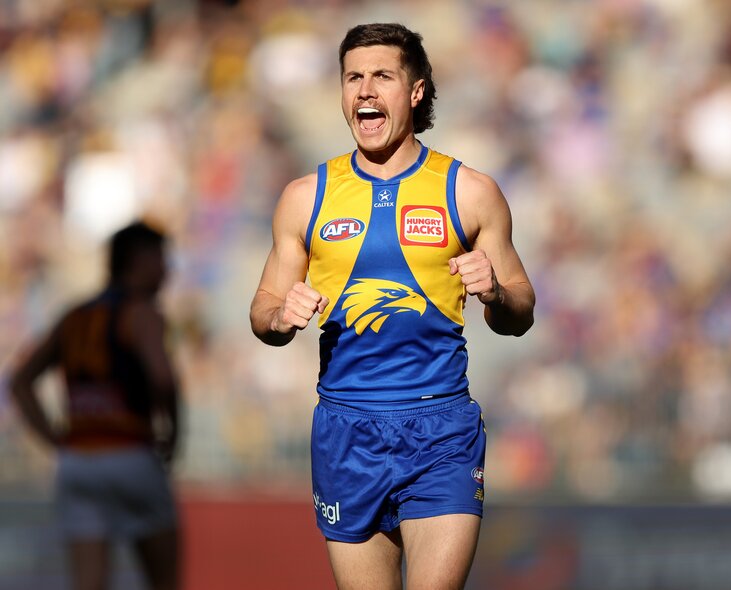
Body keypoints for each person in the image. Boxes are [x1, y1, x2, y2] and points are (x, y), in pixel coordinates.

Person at [250, 22, 535, 590]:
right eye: (353, 77)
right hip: (346, 430)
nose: (365, 90)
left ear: (416, 91)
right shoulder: (306, 197)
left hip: (440, 428)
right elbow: (263, 309)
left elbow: (521, 310)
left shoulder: (469, 191)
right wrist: (280, 317)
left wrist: (496, 294)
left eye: (382, 76)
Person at [10, 221, 181, 590]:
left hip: (78, 461)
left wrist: (55, 440)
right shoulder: (142, 313)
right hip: (130, 453)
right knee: (164, 580)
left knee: (88, 582)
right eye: (161, 258)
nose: (167, 270)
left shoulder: (75, 316)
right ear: (139, 259)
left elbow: (20, 382)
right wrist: (174, 434)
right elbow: (163, 379)